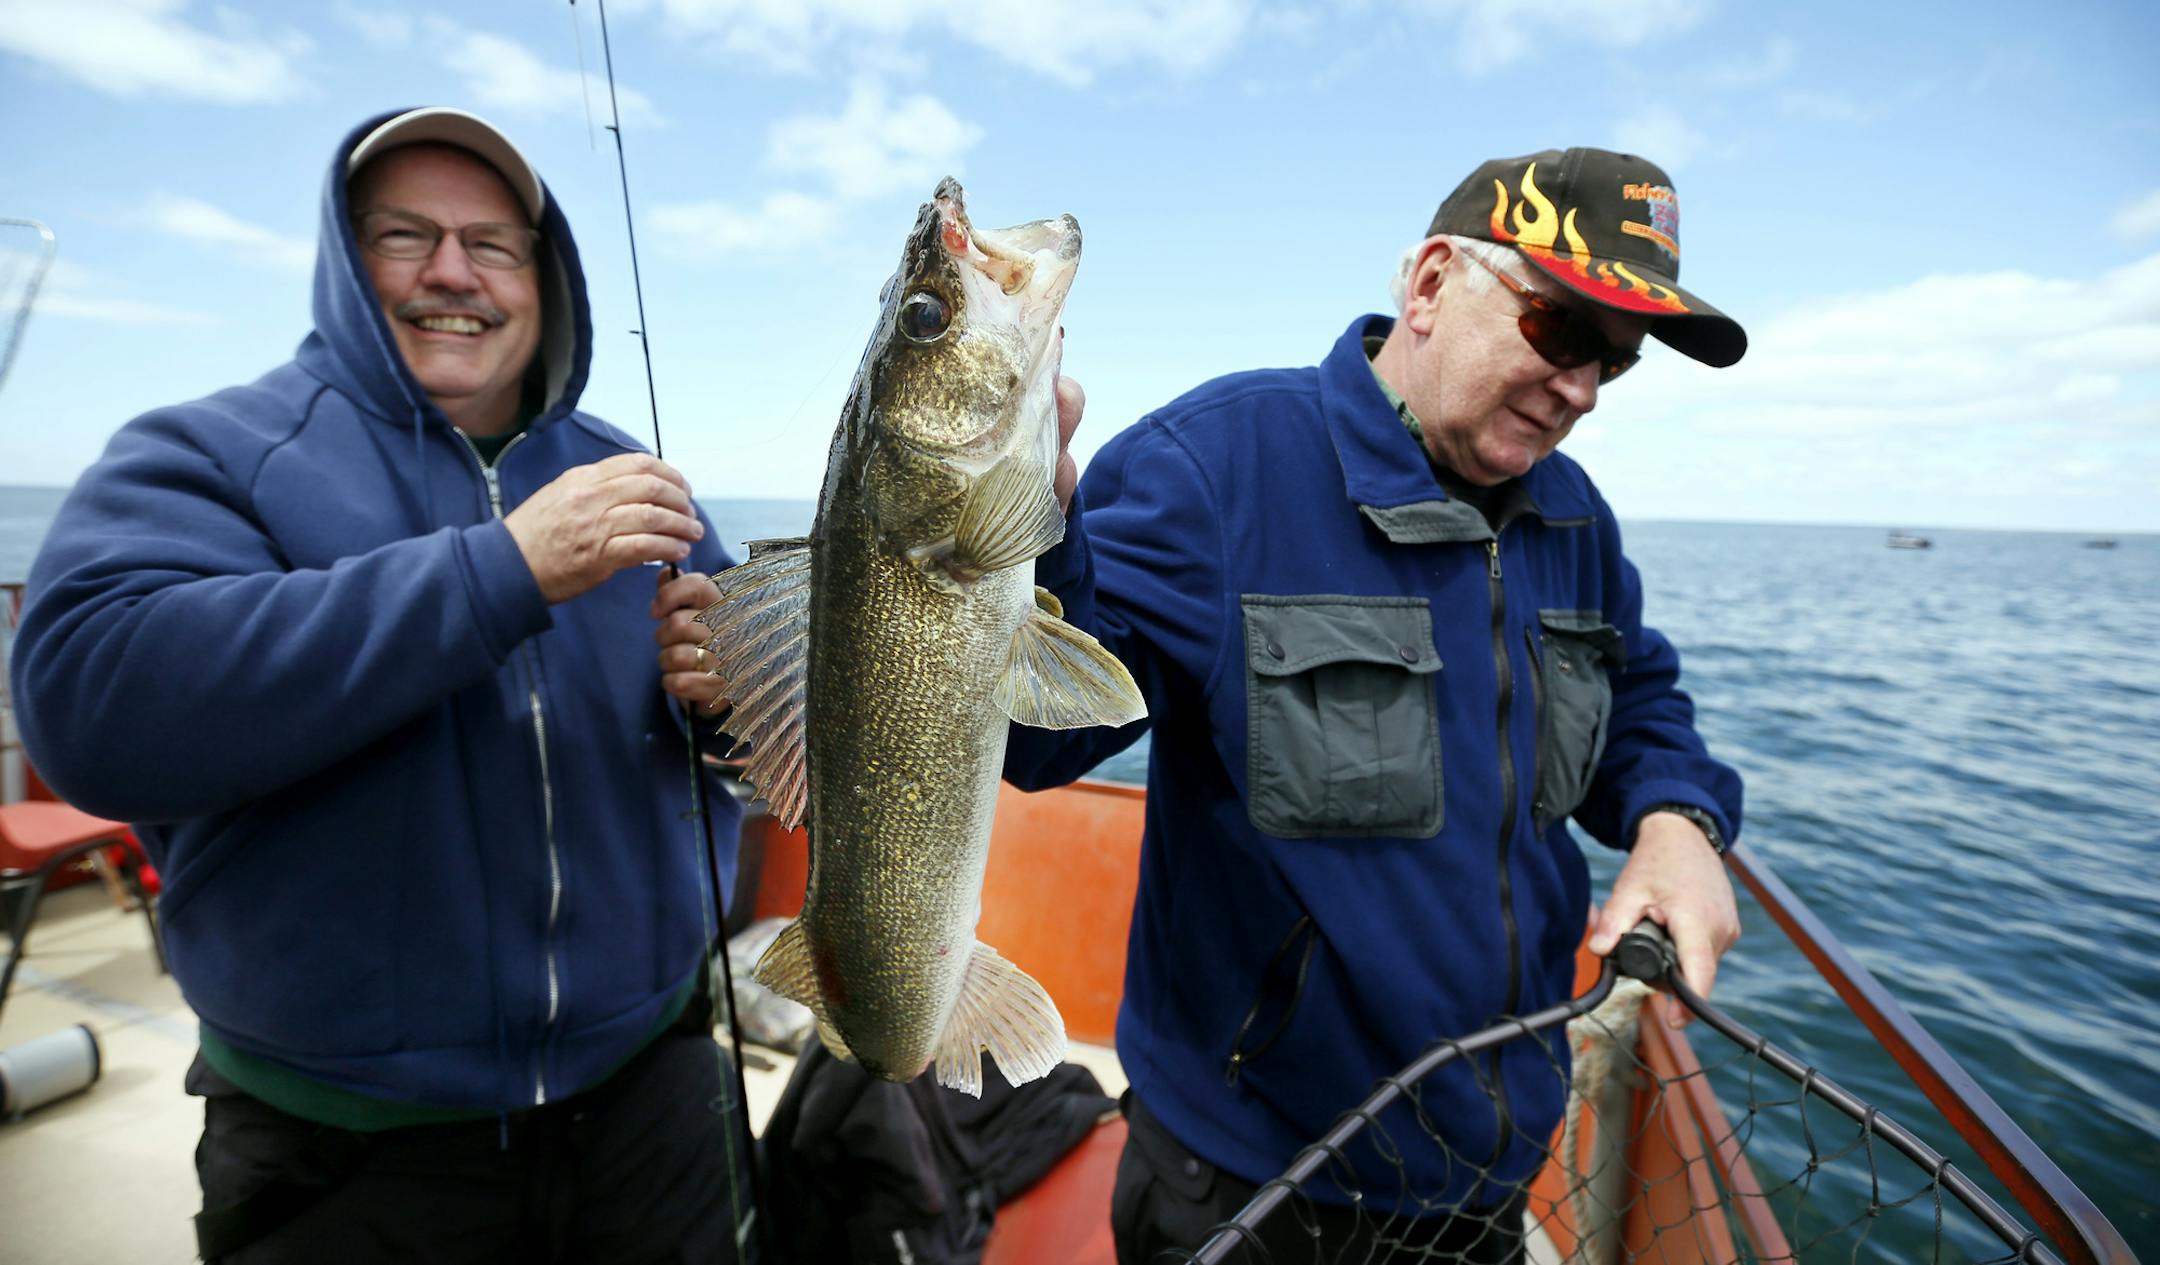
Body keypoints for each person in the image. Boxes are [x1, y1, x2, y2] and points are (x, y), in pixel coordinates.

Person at [9, 107, 751, 1263]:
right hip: (343, 1141)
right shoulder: (208, 455)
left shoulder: (639, 483)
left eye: (493, 243)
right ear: (343, 264)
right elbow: (87, 698)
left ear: (544, 278)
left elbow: (754, 747)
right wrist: (500, 570)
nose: (452, 271)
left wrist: (727, 710)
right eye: (404, 236)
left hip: (654, 1099)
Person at [1003, 147, 1749, 1263]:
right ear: (1434, 282)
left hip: (1487, 1170)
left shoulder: (1576, 518)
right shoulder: (1211, 468)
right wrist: (1027, 548)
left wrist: (1679, 819)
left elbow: (1637, 694)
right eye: (1559, 331)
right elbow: (1034, 742)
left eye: (1614, 363)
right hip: (1249, 1185)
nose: (1583, 389)